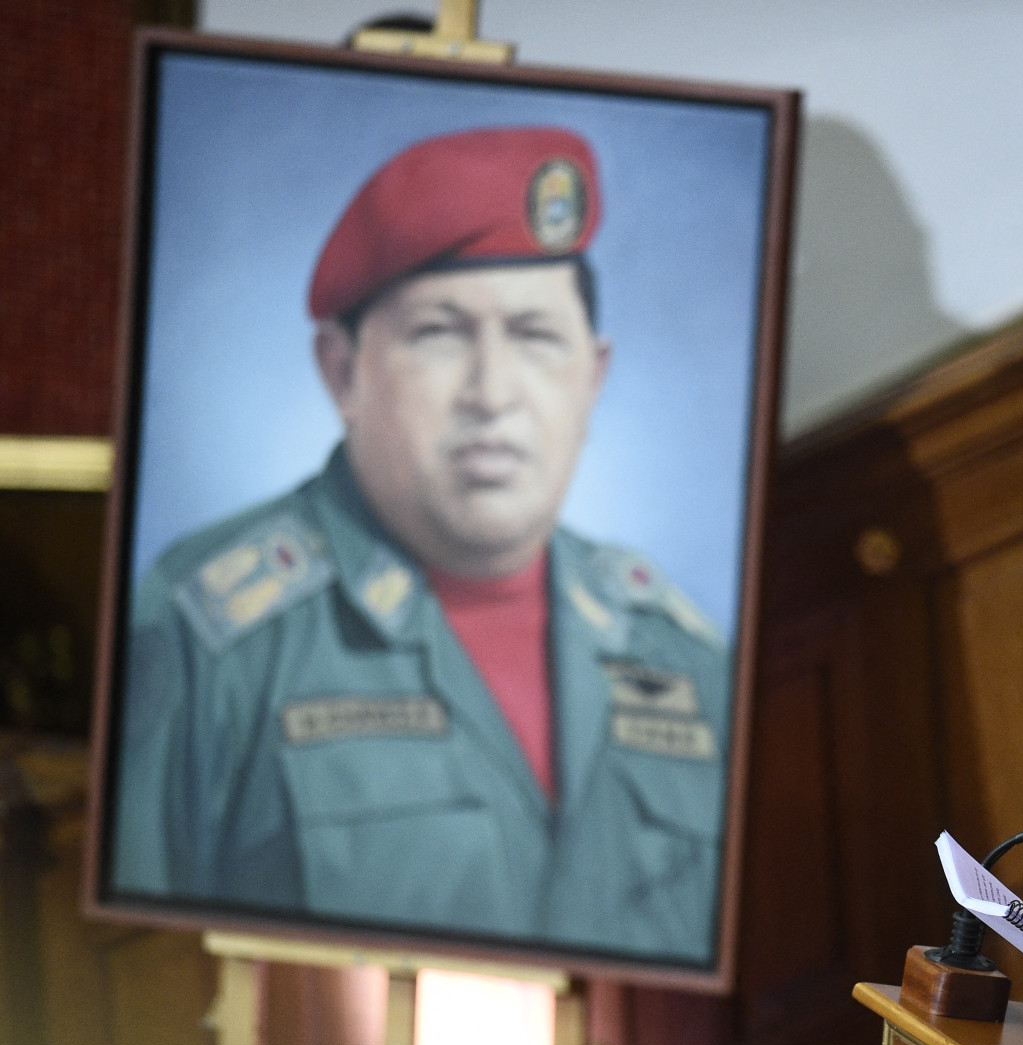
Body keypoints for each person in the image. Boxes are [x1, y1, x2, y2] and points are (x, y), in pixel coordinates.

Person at [111, 127, 732, 964]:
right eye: (440, 332)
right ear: (342, 373)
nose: (493, 393)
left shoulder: (676, 649)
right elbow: (138, 978)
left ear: (594, 375)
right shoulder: (204, 635)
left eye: (536, 336)